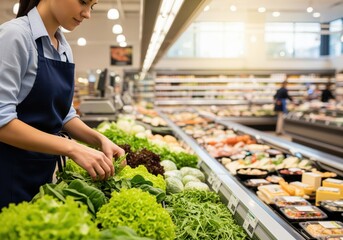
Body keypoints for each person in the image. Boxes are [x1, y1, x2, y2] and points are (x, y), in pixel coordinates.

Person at [0, 0, 125, 209]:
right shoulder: (14, 36)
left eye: (92, 6)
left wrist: (98, 139)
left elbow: (63, 114)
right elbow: (2, 121)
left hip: (41, 175)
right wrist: (72, 148)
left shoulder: (63, 46)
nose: (87, 14)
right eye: (83, 2)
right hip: (7, 174)